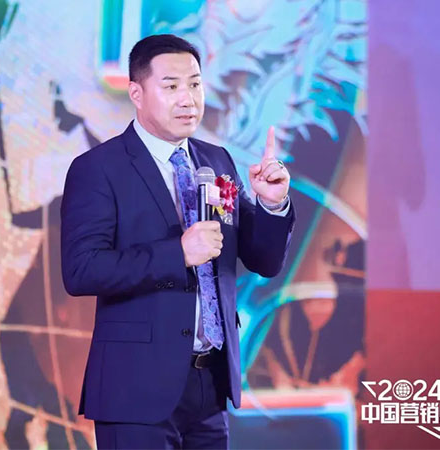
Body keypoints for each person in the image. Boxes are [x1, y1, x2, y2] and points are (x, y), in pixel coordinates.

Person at [61, 34, 295, 449]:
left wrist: (271, 205)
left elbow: (264, 260)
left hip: (210, 385)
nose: (188, 99)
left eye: (195, 84)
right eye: (171, 86)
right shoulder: (98, 168)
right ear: (136, 93)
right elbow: (82, 270)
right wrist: (178, 254)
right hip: (135, 390)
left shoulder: (216, 161)